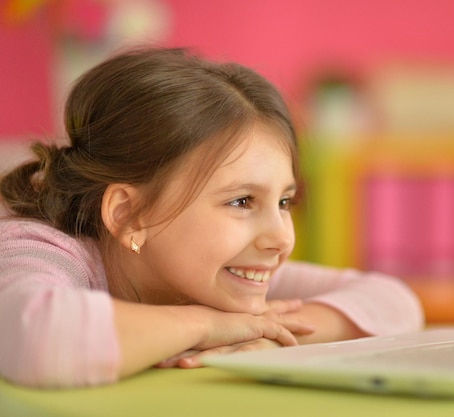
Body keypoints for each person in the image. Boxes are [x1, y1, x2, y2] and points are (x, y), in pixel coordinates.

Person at [0, 47, 424, 389]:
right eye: (242, 202)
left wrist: (265, 333)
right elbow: (42, 339)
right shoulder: (41, 249)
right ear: (129, 214)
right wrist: (209, 326)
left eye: (284, 202)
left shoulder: (215, 273)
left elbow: (395, 302)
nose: (281, 239)